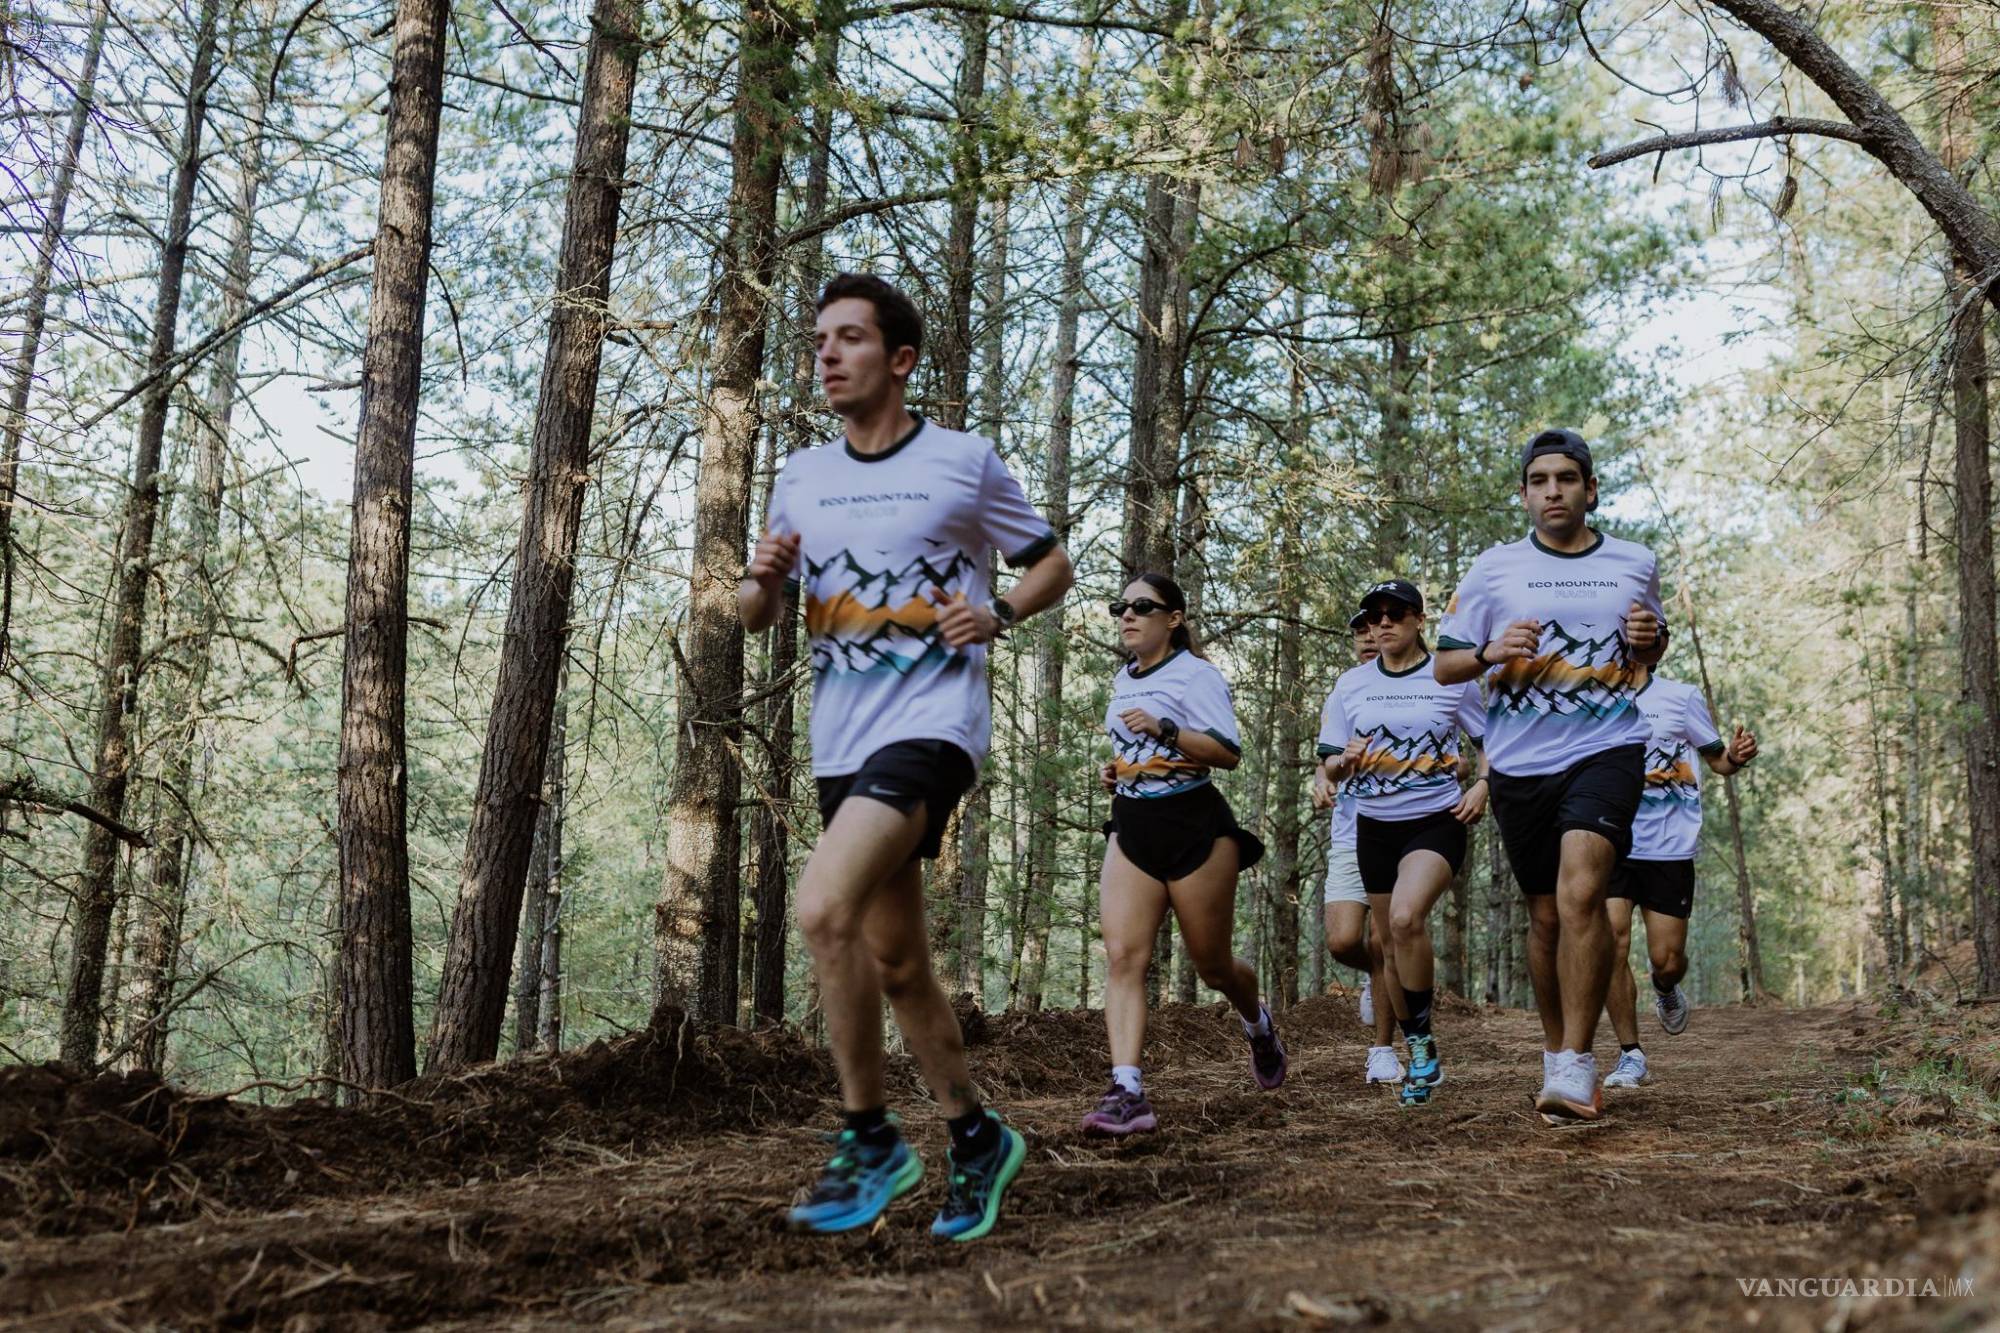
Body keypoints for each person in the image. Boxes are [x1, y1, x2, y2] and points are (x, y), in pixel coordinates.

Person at [742, 273, 1074, 1238]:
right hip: (840, 739)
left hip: (933, 725)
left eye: (849, 337)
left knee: (822, 905)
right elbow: (757, 611)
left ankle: (871, 1137)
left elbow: (1050, 561)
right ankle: (976, 1136)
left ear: (900, 359)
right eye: (820, 340)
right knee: (895, 960)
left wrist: (999, 610)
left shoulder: (962, 462)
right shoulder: (802, 475)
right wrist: (760, 580)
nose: (827, 354)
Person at [1435, 428, 1667, 1125]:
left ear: (1590, 490)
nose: (1553, 491)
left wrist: (1651, 642)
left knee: (1581, 893)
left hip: (1608, 748)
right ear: (1524, 495)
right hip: (1521, 763)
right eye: (1539, 481)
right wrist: (1489, 651)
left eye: (1566, 478)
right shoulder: (1494, 569)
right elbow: (1444, 665)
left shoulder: (1634, 561)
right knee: (1544, 916)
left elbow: (1649, 647)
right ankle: (1554, 1048)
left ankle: (1576, 1061)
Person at [1079, 572, 1284, 1136]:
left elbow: (1227, 752)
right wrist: (1118, 770)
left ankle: (1257, 1023)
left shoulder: (1196, 675)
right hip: (1133, 825)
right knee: (1124, 957)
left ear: (1173, 619)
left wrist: (1165, 729)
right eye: (1121, 606)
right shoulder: (1123, 679)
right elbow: (1136, 748)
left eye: (1142, 606)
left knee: (1212, 966)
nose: (1127, 615)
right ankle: (1127, 1090)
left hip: (1196, 828)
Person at [1323, 580, 1488, 1107]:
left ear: (1419, 619)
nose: (1383, 623)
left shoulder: (1450, 677)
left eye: (1395, 613)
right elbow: (1329, 762)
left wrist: (1484, 784)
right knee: (1390, 947)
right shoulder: (1351, 685)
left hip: (1435, 821)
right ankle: (1421, 1049)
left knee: (1403, 919)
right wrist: (1341, 762)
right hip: (1373, 828)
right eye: (1375, 616)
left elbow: (1490, 742)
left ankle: (1417, 1049)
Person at [1601, 677, 1759, 1087]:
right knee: (1610, 943)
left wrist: (1736, 756)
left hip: (1668, 847)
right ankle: (1630, 1054)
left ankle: (1665, 987)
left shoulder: (1680, 698)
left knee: (1668, 961)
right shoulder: (1592, 690)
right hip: (1609, 839)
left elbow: (1718, 761)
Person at [1313, 612, 1408, 1085]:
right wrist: (1323, 777)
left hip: (1403, 827)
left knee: (1386, 938)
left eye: (1375, 628)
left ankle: (1383, 1050)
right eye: (1360, 631)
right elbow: (1328, 755)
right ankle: (1376, 972)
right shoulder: (1346, 688)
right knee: (1344, 941)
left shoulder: (1419, 683)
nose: (1369, 637)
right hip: (1351, 830)